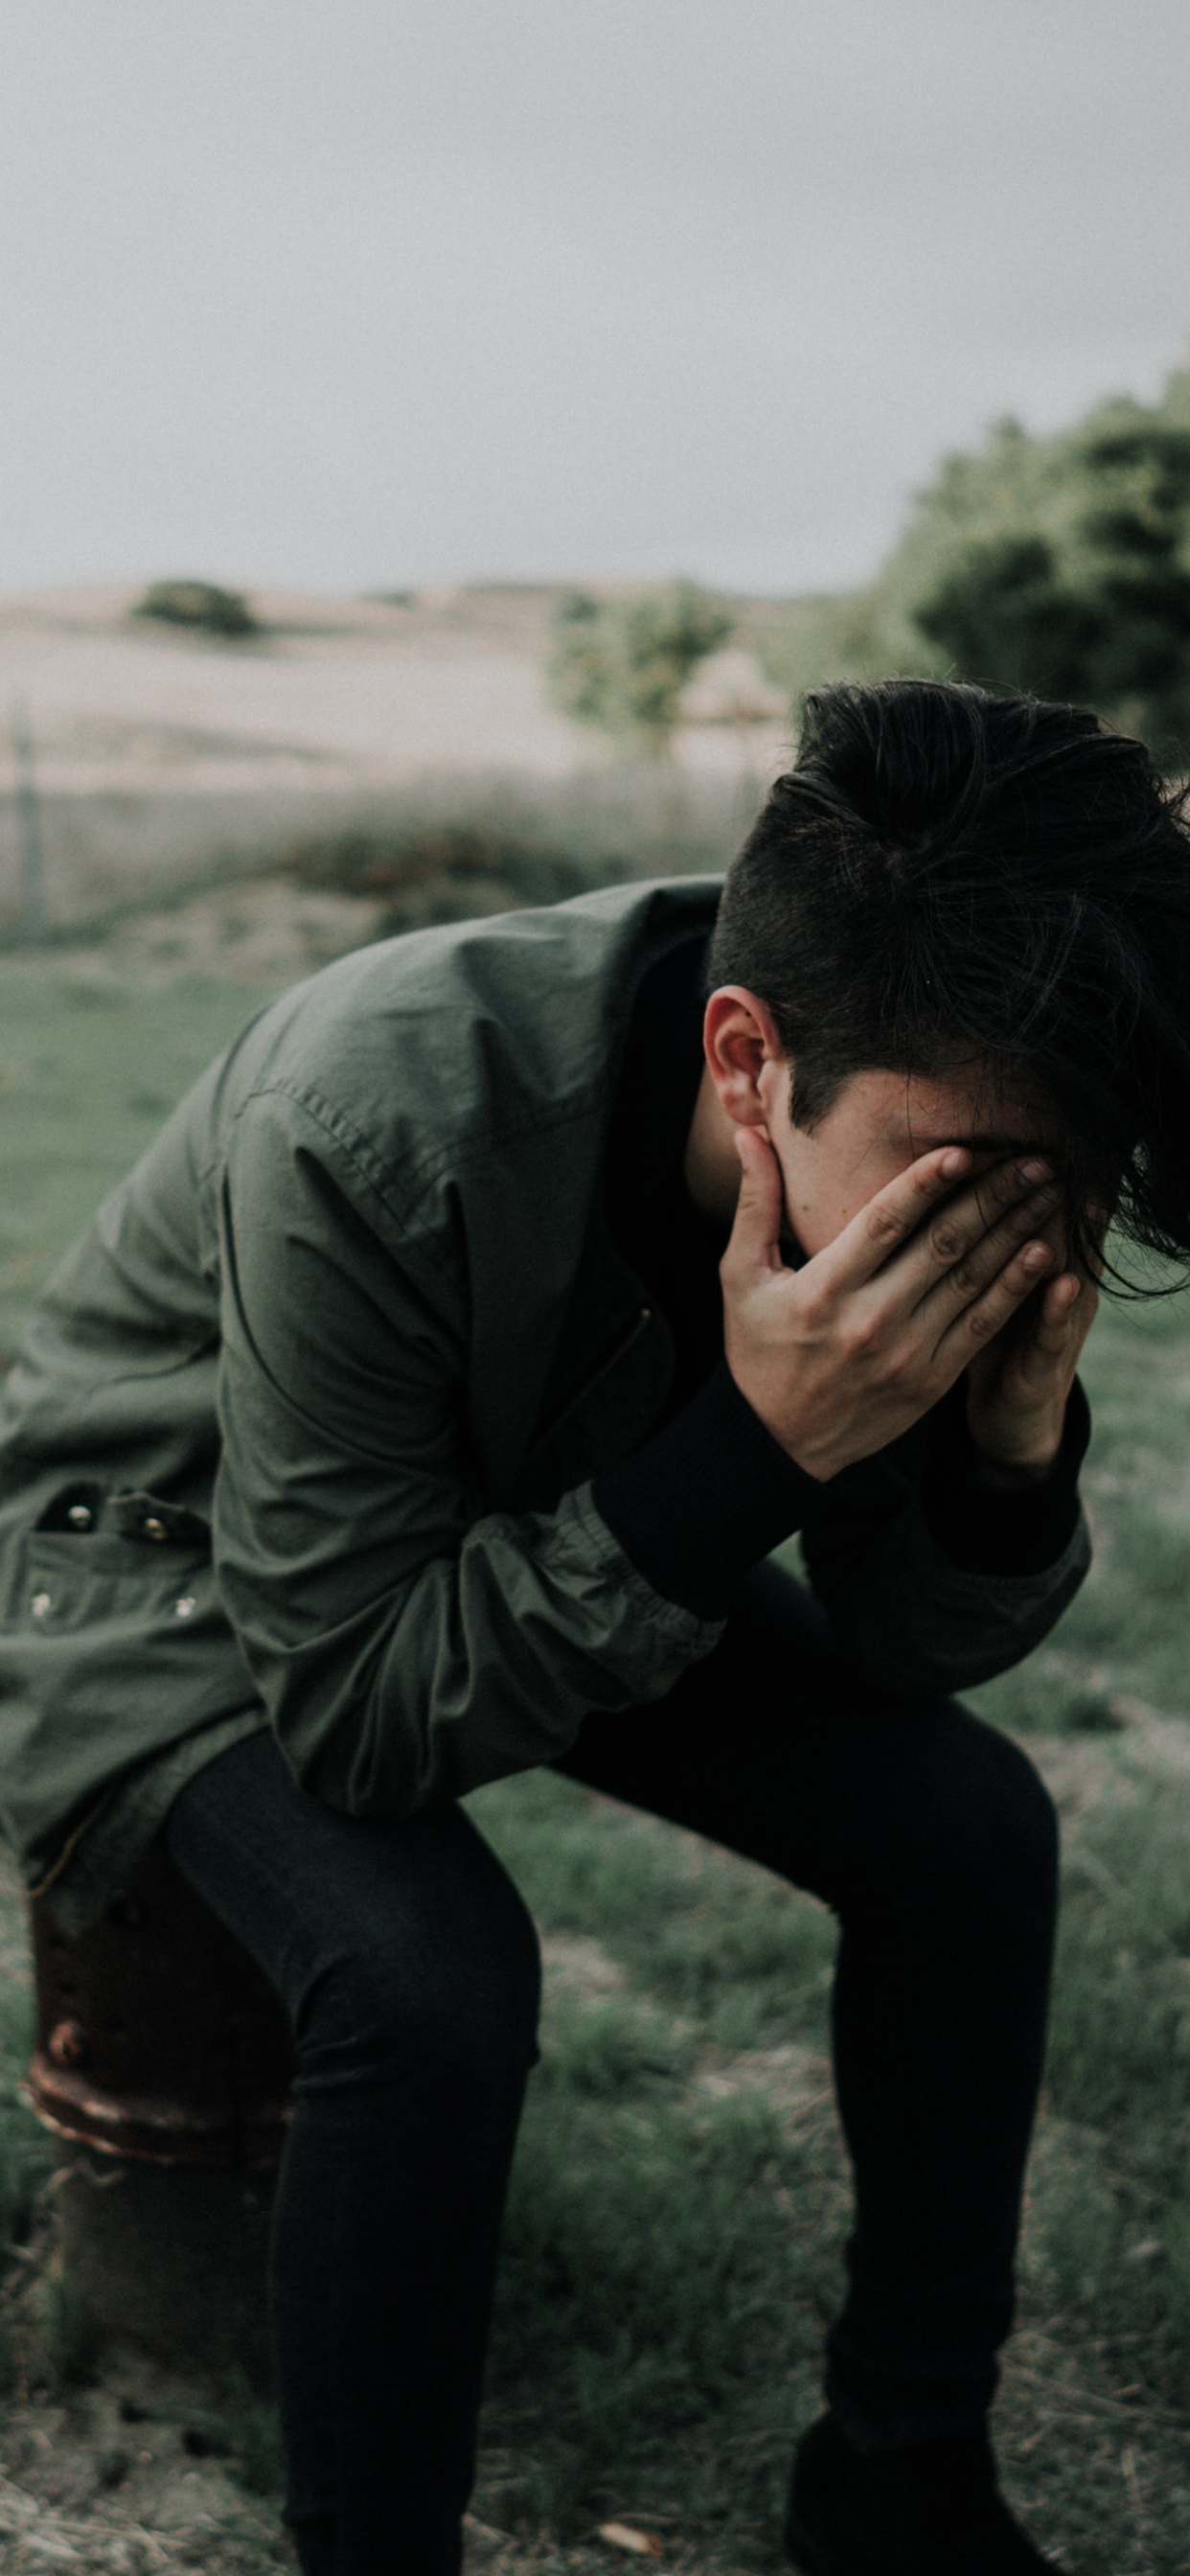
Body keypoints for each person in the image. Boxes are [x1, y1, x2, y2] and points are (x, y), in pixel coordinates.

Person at [2, 678, 1188, 2576]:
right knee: (427, 1972)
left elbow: (908, 1653)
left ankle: (902, 2476)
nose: (1004, 1248)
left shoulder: (898, 1101)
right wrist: (764, 1443)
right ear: (745, 1063)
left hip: (541, 1512)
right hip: (183, 1562)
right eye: (963, 1190)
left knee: (970, 1831)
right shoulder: (372, 1109)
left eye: (1072, 1190)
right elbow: (362, 1716)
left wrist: (1009, 1446)